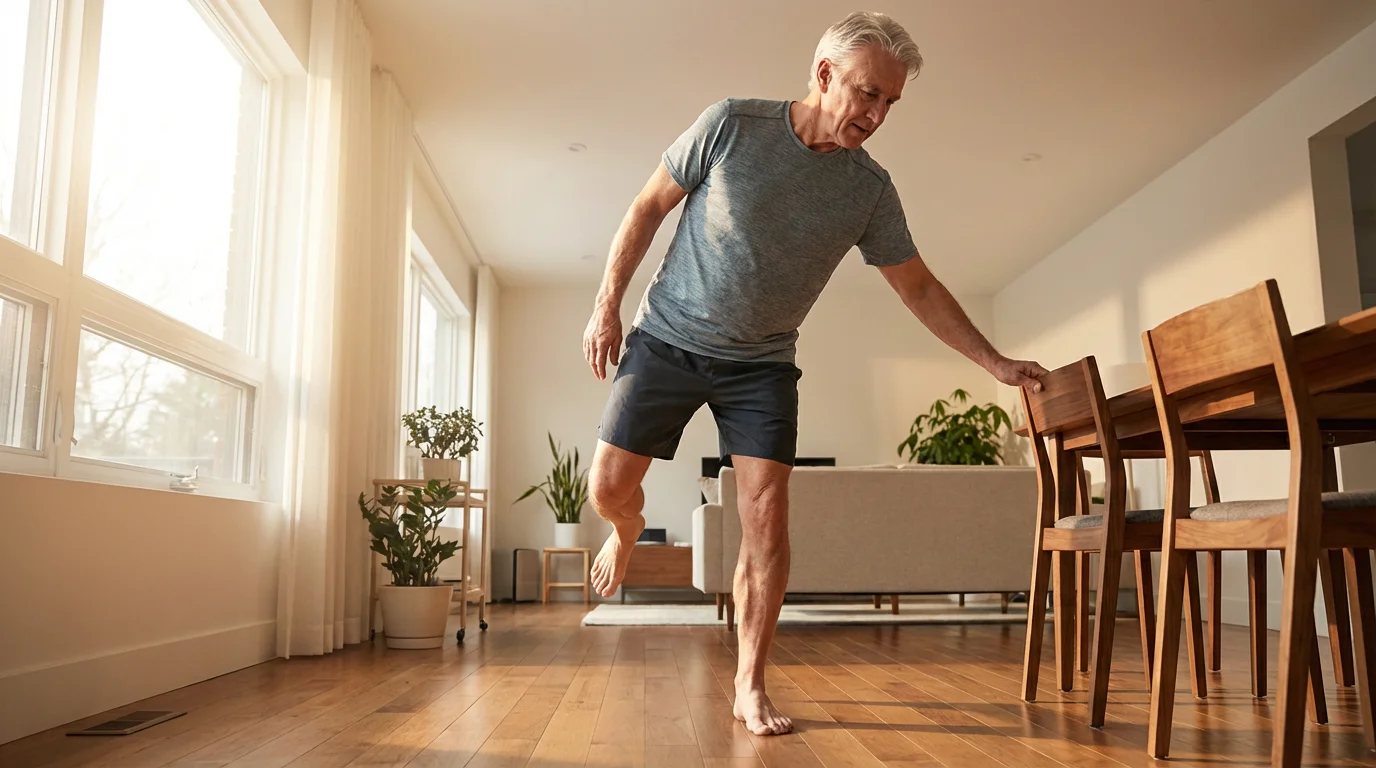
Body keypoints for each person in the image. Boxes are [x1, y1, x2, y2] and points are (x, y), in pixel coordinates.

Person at [581, 11, 1048, 736]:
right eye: (868, 93)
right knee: (607, 488)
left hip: (762, 365)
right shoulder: (732, 124)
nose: (876, 114)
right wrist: (606, 307)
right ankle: (627, 528)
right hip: (667, 339)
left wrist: (995, 362)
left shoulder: (869, 190)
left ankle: (748, 684)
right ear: (824, 74)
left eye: (890, 102)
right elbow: (647, 207)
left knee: (766, 520)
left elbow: (918, 287)